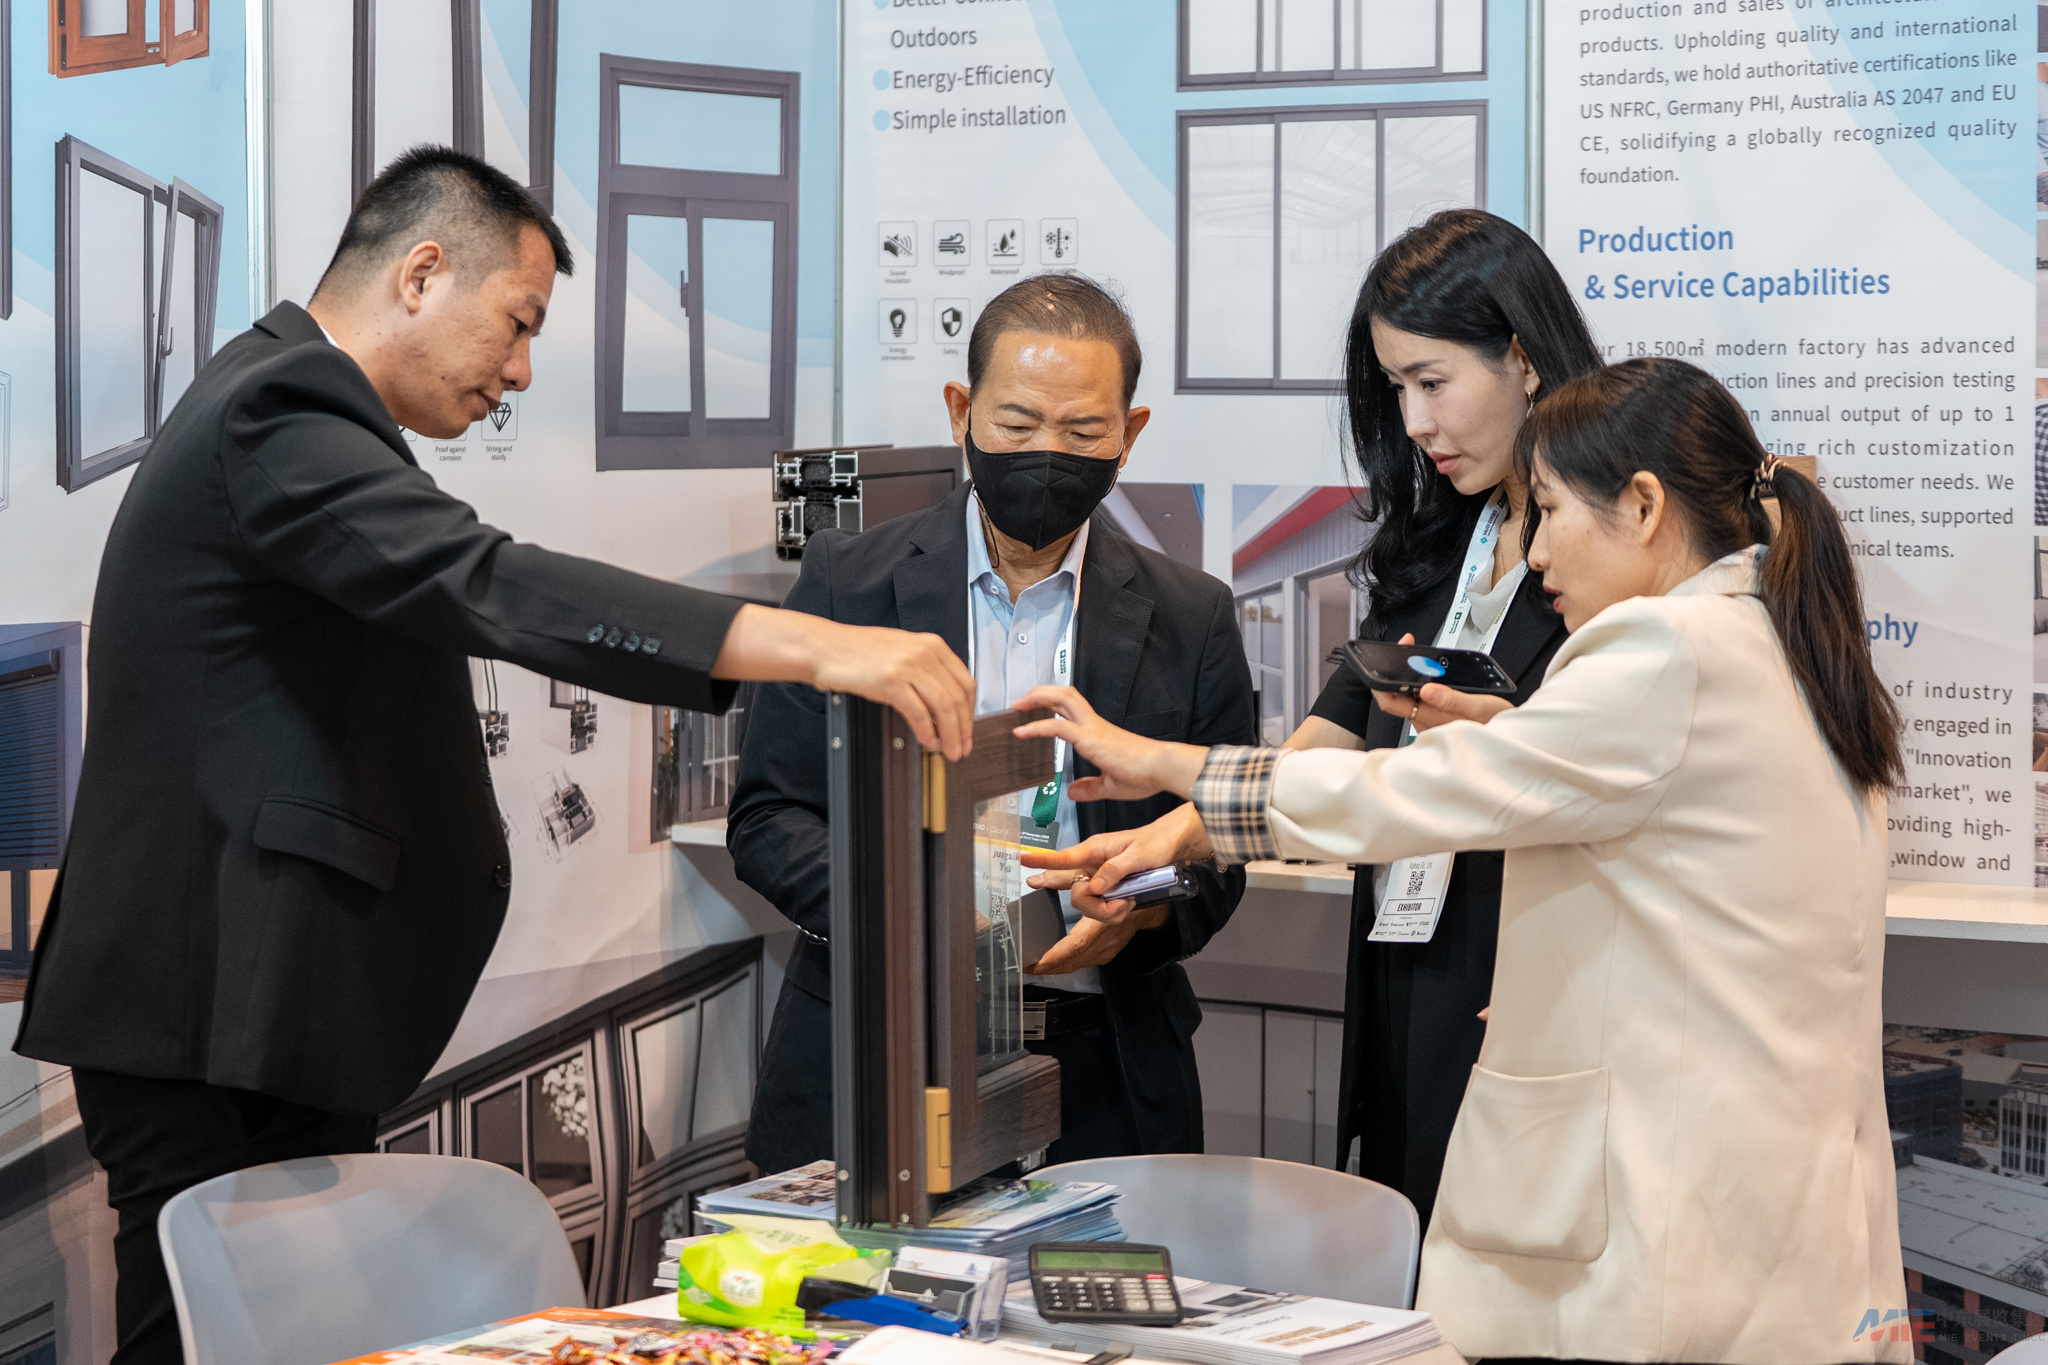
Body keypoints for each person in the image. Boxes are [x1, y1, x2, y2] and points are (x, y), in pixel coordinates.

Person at [11, 147, 976, 1365]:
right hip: (209, 1016)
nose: (518, 373)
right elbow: (486, 582)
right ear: (420, 274)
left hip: (267, 1012)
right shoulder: (277, 411)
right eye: (517, 324)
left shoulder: (302, 413)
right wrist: (815, 646)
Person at [1018, 357, 1911, 1363]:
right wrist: (1511, 736)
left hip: (1670, 1249)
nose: (1538, 553)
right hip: (1779, 1228)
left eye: (1551, 511)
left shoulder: (1667, 649)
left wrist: (1168, 766)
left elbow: (1399, 795)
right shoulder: (1777, 641)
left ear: (1643, 505)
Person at [727, 272, 1255, 1175]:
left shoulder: (1191, 614)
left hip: (1103, 1066)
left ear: (1129, 435)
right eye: (1016, 424)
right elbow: (769, 815)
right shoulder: (849, 583)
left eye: (1082, 432)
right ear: (961, 411)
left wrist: (1140, 915)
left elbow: (1221, 847)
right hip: (880, 1047)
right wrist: (907, 906)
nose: (1046, 453)